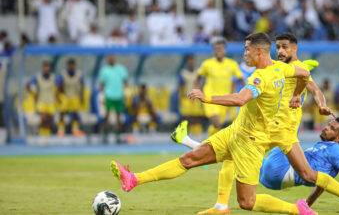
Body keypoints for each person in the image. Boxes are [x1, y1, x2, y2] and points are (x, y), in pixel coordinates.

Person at [110, 33, 318, 214]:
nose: (244, 54)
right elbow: (305, 73)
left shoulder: (261, 78)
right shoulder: (282, 68)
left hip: (251, 143)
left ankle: (297, 209)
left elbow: (240, 99)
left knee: (247, 202)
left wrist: (206, 97)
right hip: (236, 132)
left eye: (247, 50)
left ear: (260, 52)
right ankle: (133, 179)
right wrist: (297, 94)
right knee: (190, 158)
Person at [173, 32, 339, 214]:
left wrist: (315, 102)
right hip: (268, 127)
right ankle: (220, 205)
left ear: (294, 49)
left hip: (285, 132)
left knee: (306, 173)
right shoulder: (277, 68)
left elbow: (314, 88)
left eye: (284, 47)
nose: (280, 51)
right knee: (235, 152)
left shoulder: (294, 68)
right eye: (278, 47)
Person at [172, 118, 339, 213]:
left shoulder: (336, 151)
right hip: (273, 176)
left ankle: (296, 88)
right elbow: (321, 182)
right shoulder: (321, 146)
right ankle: (187, 141)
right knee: (235, 153)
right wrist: (306, 206)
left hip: (282, 171)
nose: (326, 128)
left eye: (332, 128)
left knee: (287, 125)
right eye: (328, 124)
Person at [194, 38, 245, 137]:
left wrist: (248, 93)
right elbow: (198, 77)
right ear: (213, 51)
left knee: (219, 126)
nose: (218, 51)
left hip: (225, 99)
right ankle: (212, 143)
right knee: (217, 122)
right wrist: (195, 91)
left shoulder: (232, 64)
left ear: (225, 50)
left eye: (220, 49)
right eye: (216, 49)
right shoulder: (207, 64)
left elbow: (241, 79)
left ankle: (210, 140)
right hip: (210, 98)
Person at [98, 55, 128, 143]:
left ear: (114, 59)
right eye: (109, 58)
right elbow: (101, 84)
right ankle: (105, 136)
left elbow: (125, 82)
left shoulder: (120, 69)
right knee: (106, 117)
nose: (110, 59)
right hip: (109, 96)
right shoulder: (104, 70)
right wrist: (101, 95)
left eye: (112, 58)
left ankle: (118, 136)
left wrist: (126, 94)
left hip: (118, 95)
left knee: (119, 118)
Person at [26, 61, 56, 136]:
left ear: (50, 68)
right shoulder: (38, 77)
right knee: (43, 119)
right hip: (41, 101)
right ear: (43, 68)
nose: (47, 68)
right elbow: (28, 84)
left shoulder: (53, 77)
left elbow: (58, 86)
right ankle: (41, 135)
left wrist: (57, 96)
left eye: (48, 66)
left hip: (51, 101)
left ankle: (47, 136)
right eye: (45, 66)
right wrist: (33, 94)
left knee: (49, 120)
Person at [56, 58, 84, 137]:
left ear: (74, 65)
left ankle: (75, 129)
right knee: (62, 113)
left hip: (74, 96)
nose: (71, 66)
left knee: (75, 112)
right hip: (65, 96)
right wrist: (58, 96)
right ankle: (61, 130)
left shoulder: (79, 74)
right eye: (70, 64)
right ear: (68, 65)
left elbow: (82, 86)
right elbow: (59, 85)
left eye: (72, 64)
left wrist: (82, 97)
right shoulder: (63, 74)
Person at [178, 55, 204, 138]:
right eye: (189, 60)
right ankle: (184, 134)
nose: (191, 62)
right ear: (187, 62)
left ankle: (196, 134)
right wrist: (180, 98)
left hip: (196, 98)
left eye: (192, 60)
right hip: (186, 98)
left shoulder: (199, 72)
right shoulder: (183, 73)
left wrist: (203, 97)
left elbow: (202, 85)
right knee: (185, 117)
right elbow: (180, 86)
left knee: (196, 117)